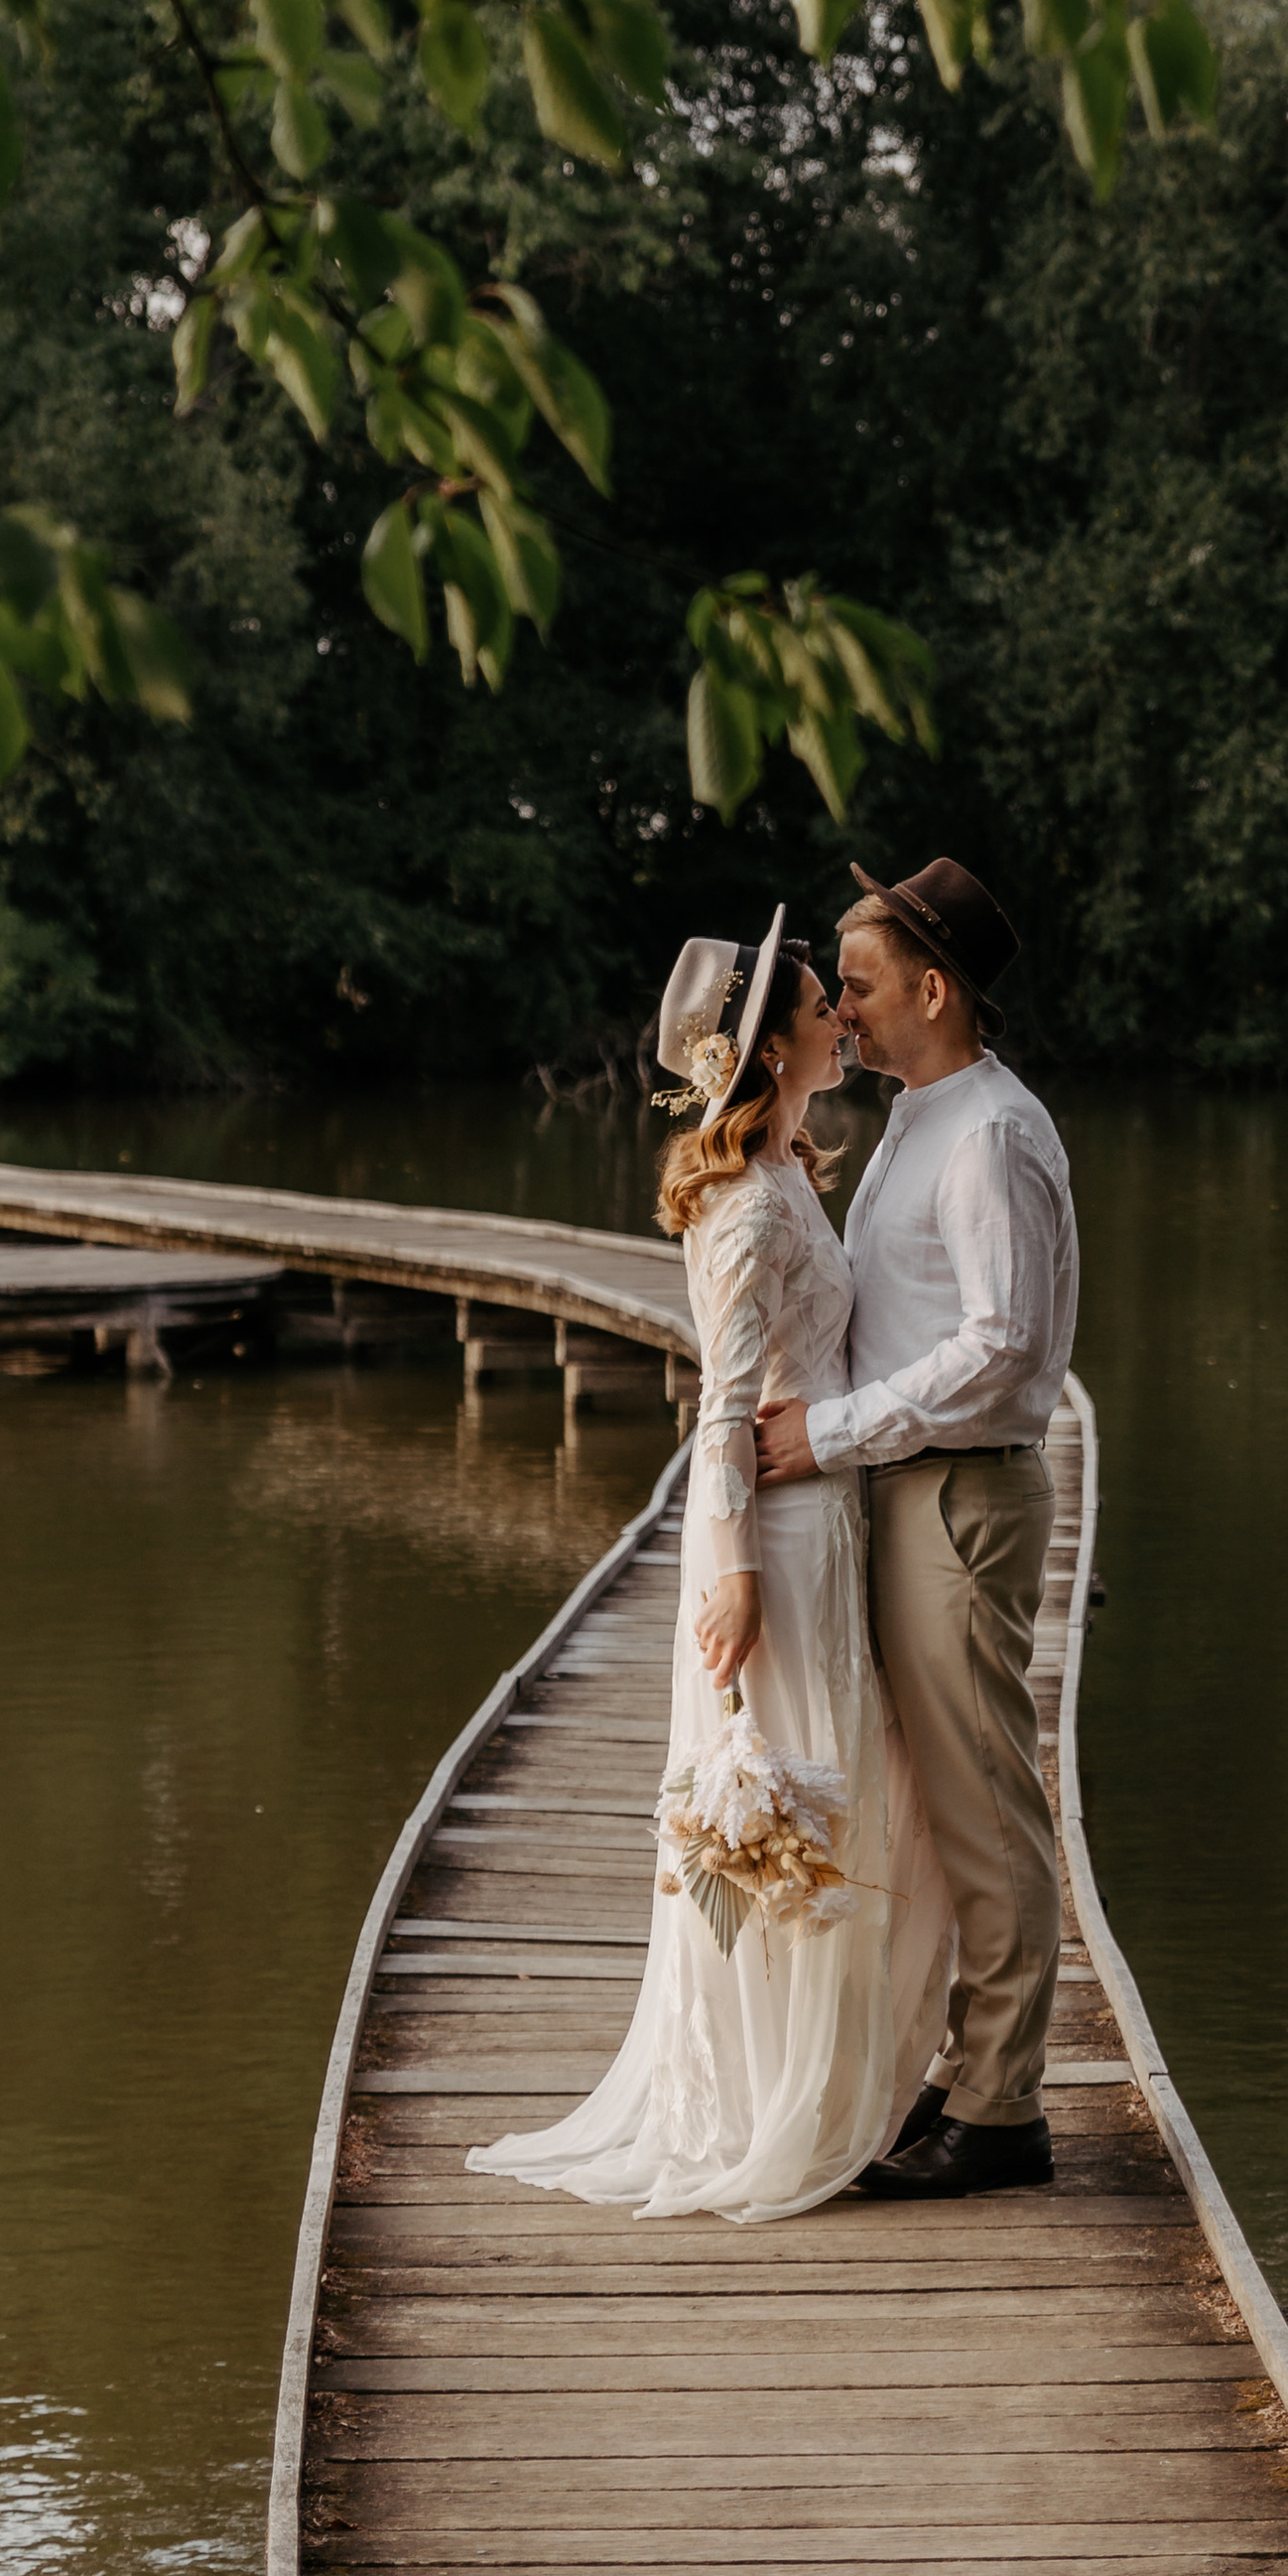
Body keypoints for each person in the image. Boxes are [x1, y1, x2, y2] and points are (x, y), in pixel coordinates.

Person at [464, 908, 954, 2223]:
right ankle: (767, 2098)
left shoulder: (791, 1164)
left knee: (828, 1795)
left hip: (827, 1520)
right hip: (775, 1545)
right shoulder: (743, 1206)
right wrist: (729, 1572)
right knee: (786, 1802)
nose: (840, 1017)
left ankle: (834, 2076)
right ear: (772, 1046)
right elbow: (721, 1407)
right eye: (820, 1006)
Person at [755, 857, 1080, 2200]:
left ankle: (1001, 2109)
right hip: (909, 1492)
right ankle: (962, 2070)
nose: (843, 1012)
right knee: (937, 1807)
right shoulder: (921, 1116)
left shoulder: (991, 1133)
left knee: (983, 1803)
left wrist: (826, 1435)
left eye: (866, 987)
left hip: (960, 1496)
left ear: (935, 992)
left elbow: (1003, 1348)